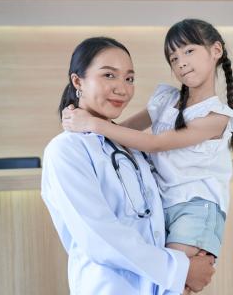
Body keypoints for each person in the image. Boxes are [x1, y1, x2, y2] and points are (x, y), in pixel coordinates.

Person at [41, 36, 215, 295]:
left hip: (160, 286)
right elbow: (99, 237)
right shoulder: (66, 150)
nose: (122, 89)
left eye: (129, 78)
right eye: (109, 75)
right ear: (77, 81)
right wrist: (181, 269)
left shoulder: (129, 145)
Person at [62, 19, 233, 261]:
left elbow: (154, 143)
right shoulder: (166, 100)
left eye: (189, 51)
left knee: (179, 280)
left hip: (195, 208)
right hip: (160, 205)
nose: (182, 62)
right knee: (165, 278)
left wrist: (91, 123)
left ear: (216, 51)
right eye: (174, 58)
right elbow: (124, 131)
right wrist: (78, 120)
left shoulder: (216, 117)